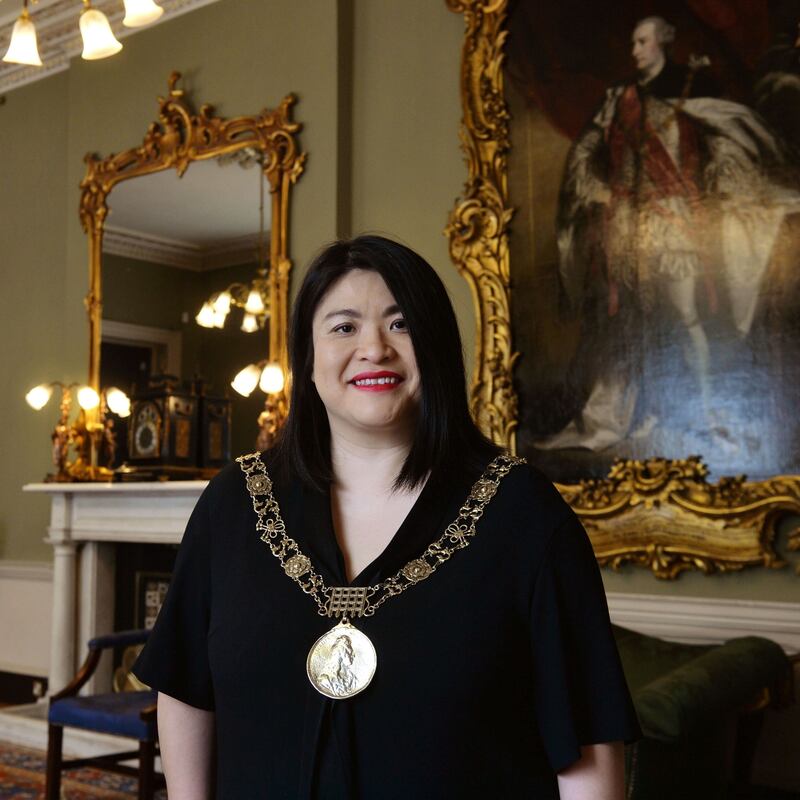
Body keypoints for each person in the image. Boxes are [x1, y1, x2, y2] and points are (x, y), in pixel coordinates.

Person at [134, 235, 640, 798]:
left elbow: (587, 743)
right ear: (307, 355)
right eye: (343, 327)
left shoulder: (525, 515)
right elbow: (186, 692)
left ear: (439, 346)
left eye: (400, 324)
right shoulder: (233, 503)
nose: (373, 348)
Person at [539, 16, 800, 452]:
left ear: (664, 43)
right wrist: (600, 191)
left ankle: (708, 410)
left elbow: (724, 146)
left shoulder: (696, 89)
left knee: (686, 318)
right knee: (622, 321)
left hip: (675, 224)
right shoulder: (619, 98)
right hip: (627, 228)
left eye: (642, 42)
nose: (635, 51)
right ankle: (615, 417)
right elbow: (586, 152)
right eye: (633, 42)